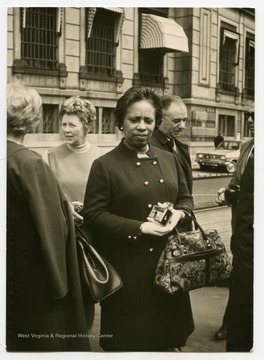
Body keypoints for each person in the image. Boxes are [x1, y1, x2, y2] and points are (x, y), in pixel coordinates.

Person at [83, 86, 195, 352]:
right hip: (128, 270)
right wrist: (140, 227)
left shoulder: (169, 159)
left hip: (169, 267)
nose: (142, 126)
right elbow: (94, 215)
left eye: (148, 120)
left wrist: (180, 213)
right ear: (120, 122)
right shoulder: (105, 165)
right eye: (135, 119)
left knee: (169, 338)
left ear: (156, 123)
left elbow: (186, 199)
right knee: (132, 342)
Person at [6, 82, 91, 351]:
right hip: (34, 279)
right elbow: (51, 227)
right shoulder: (28, 163)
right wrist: (60, 287)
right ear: (31, 118)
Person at [214, 108, 254, 347]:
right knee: (240, 281)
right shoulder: (247, 147)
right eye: (250, 115)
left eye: (256, 115)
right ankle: (232, 321)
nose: (250, 120)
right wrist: (229, 193)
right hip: (240, 228)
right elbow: (239, 183)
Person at [43, 96, 104, 223]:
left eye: (72, 125)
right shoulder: (49, 155)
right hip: (61, 224)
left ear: (87, 127)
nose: (66, 130)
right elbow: (43, 196)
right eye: (64, 124)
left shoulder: (102, 157)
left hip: (92, 226)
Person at [149, 94, 192, 194]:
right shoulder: (148, 148)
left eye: (184, 120)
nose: (182, 126)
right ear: (160, 119)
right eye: (176, 121)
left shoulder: (180, 147)